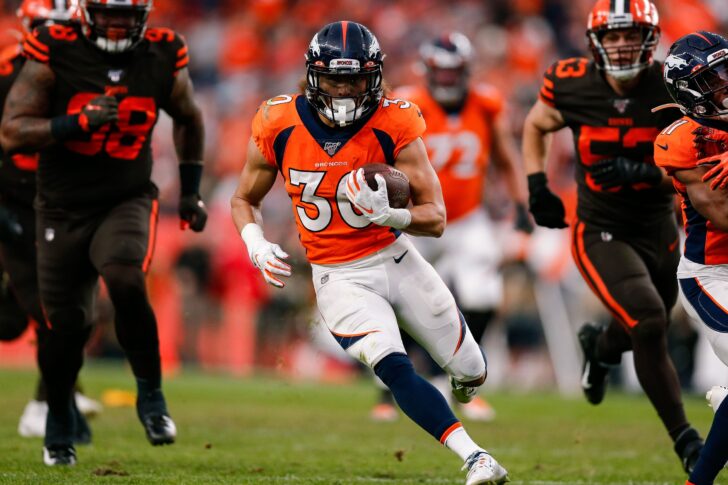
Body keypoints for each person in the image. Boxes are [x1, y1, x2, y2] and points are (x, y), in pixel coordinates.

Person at [231, 20, 508, 485]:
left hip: (396, 259)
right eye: (335, 78)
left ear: (374, 77)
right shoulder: (278, 120)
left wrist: (394, 216)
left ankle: (465, 385)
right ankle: (475, 456)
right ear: (313, 76)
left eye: (355, 79)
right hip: (338, 275)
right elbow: (244, 199)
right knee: (393, 364)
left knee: (472, 370)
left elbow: (435, 217)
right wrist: (254, 241)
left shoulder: (395, 120)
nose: (344, 90)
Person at [0, 0, 207, 466]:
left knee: (126, 276)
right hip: (58, 206)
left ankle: (151, 397)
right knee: (63, 324)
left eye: (126, 16)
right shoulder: (52, 50)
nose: (116, 25)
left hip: (125, 196)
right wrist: (77, 123)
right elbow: (12, 133)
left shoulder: (162, 51)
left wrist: (191, 191)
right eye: (107, 13)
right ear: (84, 14)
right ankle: (57, 420)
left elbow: (189, 116)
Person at [522, 0, 703, 473]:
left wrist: (644, 171)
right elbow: (537, 124)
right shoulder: (571, 79)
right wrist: (537, 184)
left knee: (650, 320)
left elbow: (697, 170)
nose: (622, 44)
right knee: (647, 321)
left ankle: (599, 350)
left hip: (658, 226)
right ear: (594, 41)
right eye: (614, 35)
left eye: (632, 34)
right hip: (600, 228)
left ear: (650, 38)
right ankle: (685, 439)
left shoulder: (669, 85)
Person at [371, 31, 532, 422]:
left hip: (465, 218)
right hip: (416, 218)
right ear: (427, 71)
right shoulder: (407, 105)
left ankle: (462, 382)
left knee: (483, 296)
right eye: (440, 73)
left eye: (453, 72)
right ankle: (386, 389)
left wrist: (522, 205)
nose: (446, 80)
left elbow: (506, 158)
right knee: (398, 300)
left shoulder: (487, 104)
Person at [0, 0, 102, 442]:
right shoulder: (7, 72)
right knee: (35, 314)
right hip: (12, 197)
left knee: (66, 307)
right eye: (46, 27)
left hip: (60, 198)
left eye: (63, 28)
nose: (54, 37)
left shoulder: (90, 71)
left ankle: (51, 398)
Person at [652, 30, 728, 485]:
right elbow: (721, 216)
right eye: (714, 80)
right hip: (713, 274)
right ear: (691, 93)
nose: (725, 86)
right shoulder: (683, 140)